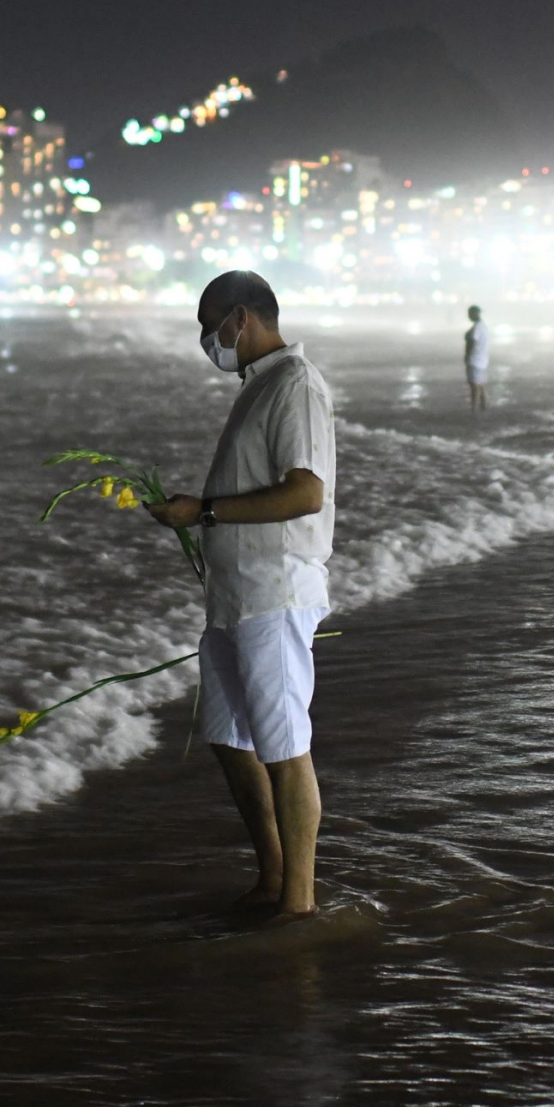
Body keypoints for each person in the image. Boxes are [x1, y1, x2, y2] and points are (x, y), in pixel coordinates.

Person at [145, 270, 335, 921]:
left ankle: (299, 905)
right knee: (228, 736)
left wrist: (205, 511)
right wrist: (199, 516)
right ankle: (274, 875)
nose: (208, 340)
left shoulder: (294, 385)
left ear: (241, 319)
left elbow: (306, 492)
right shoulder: (258, 387)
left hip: (274, 590)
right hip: (233, 595)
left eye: (210, 326)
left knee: (285, 746)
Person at [462, 303, 491, 411]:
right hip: (483, 360)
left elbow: (472, 341)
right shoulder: (483, 326)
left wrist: (467, 355)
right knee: (481, 384)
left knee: (474, 384)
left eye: (469, 314)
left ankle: (474, 408)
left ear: (473, 314)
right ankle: (484, 406)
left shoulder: (477, 327)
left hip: (475, 359)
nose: (468, 316)